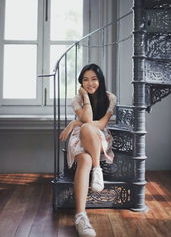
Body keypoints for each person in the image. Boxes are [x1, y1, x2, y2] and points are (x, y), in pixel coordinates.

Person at [59, 63, 116, 237]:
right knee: (84, 160)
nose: (90, 83)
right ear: (81, 82)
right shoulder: (77, 99)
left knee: (87, 128)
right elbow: (88, 117)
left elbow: (100, 124)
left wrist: (75, 122)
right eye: (85, 80)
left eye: (94, 79)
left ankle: (97, 168)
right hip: (79, 138)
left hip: (98, 138)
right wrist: (84, 96)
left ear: (100, 80)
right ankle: (81, 217)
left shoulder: (110, 98)